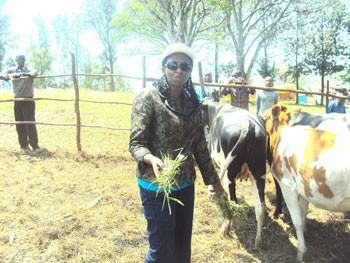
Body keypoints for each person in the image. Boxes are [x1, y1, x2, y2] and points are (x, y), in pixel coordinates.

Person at [129, 43, 225, 263]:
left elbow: (200, 146)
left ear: (190, 71)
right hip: (156, 184)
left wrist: (215, 183)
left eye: (185, 66)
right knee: (161, 251)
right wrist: (151, 158)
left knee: (182, 249)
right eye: (173, 65)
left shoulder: (193, 103)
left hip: (184, 184)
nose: (178, 70)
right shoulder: (148, 98)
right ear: (163, 68)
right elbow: (136, 144)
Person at [1, 55, 39, 150]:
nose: (21, 61)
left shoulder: (28, 69)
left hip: (27, 99)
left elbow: (35, 72)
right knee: (19, 123)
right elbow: (4, 72)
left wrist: (29, 74)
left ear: (25, 60)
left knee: (29, 123)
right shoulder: (12, 70)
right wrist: (4, 76)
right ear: (16, 60)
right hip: (17, 100)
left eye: (22, 59)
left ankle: (34, 145)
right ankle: (23, 145)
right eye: (19, 59)